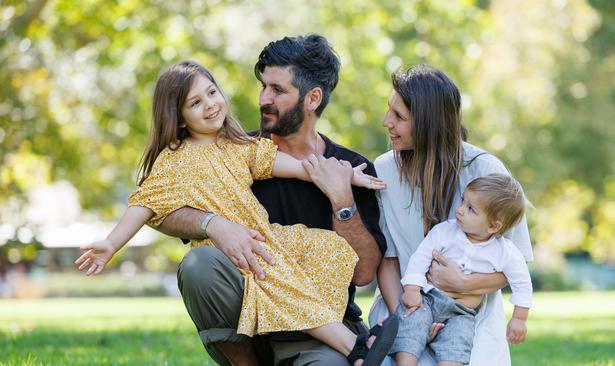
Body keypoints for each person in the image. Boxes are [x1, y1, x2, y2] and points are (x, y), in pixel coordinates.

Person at [75, 60, 397, 365]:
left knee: (325, 249)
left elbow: (298, 168)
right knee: (283, 287)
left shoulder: (238, 146)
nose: (210, 104)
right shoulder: (174, 161)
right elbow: (145, 204)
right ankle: (355, 347)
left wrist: (343, 177)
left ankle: (344, 344)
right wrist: (112, 244)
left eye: (212, 93)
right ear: (180, 117)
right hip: (235, 257)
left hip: (264, 240)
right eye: (195, 103)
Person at [152, 35, 388, 365]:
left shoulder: (351, 168)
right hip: (250, 328)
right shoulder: (232, 152)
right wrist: (213, 224)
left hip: (320, 330)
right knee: (197, 265)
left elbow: (363, 275)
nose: (264, 98)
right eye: (263, 86)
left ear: (312, 98)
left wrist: (342, 201)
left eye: (278, 90)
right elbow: (160, 210)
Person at [369, 65, 534, 366]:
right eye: (388, 110)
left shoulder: (487, 171)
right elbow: (388, 260)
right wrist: (409, 316)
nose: (386, 122)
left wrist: (464, 284)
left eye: (400, 117)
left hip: (470, 317)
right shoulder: (383, 171)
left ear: (429, 123)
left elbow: (515, 263)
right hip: (403, 305)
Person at [391, 174, 533, 366]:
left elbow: (522, 284)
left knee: (457, 346)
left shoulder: (505, 252)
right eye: (462, 201)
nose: (459, 210)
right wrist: (412, 289)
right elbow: (421, 257)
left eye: (470, 209)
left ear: (493, 226)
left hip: (462, 313)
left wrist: (519, 319)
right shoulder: (444, 231)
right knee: (411, 326)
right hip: (428, 299)